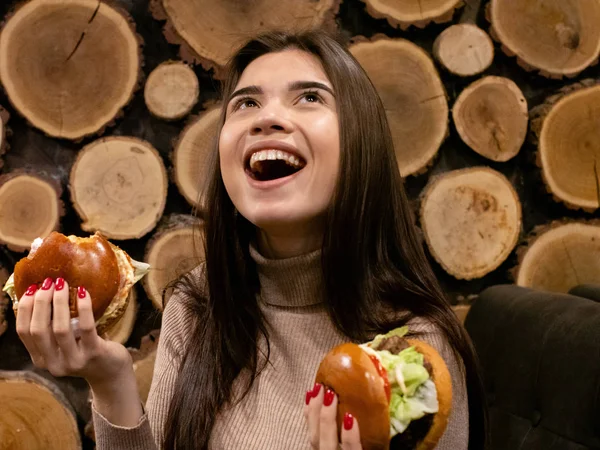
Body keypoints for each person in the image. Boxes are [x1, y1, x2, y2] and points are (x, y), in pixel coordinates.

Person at [15, 29, 488, 450]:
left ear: (361, 141)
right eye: (246, 103)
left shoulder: (414, 354)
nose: (267, 119)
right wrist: (109, 379)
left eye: (309, 98)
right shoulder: (199, 303)